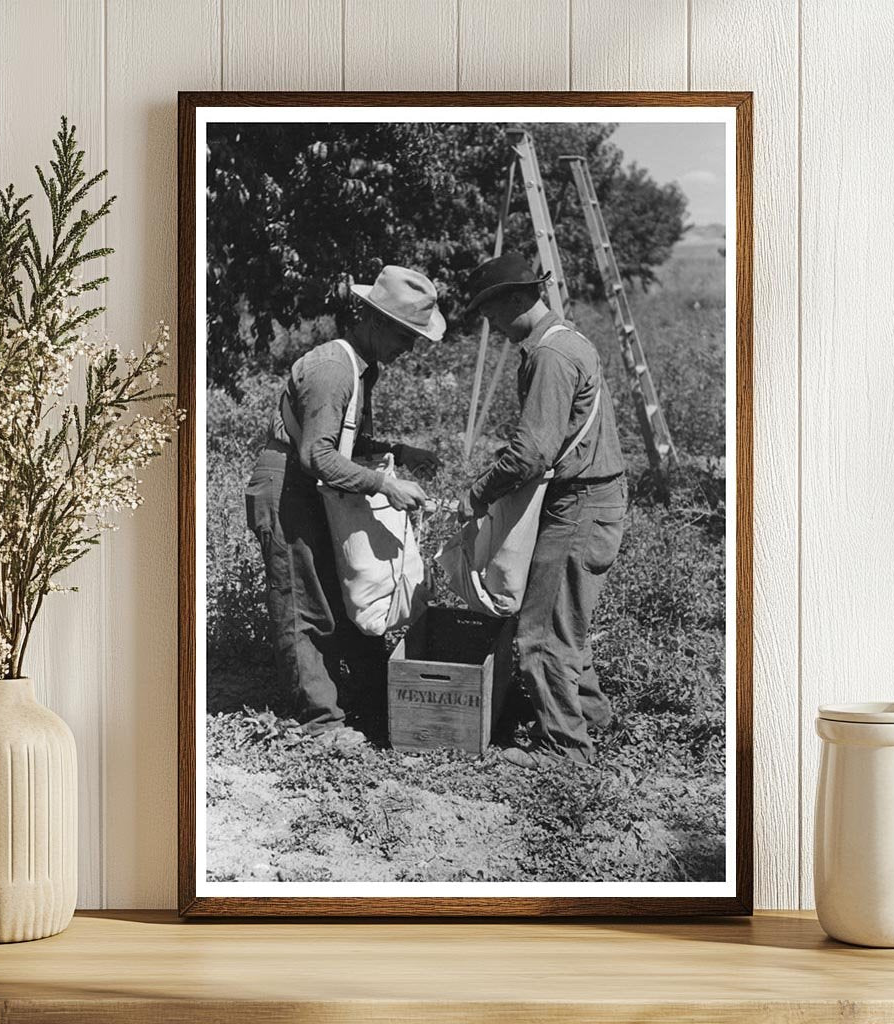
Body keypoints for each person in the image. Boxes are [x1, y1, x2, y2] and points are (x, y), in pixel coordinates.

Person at [245, 265, 444, 746]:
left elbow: (341, 440)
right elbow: (317, 455)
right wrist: (384, 485)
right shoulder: (333, 369)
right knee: (301, 604)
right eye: (405, 336)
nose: (408, 348)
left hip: (312, 486)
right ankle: (321, 721)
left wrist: (398, 450)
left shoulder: (360, 368)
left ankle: (361, 698)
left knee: (336, 595)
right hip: (286, 486)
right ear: (374, 321)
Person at [458, 253, 627, 769]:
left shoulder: (550, 355)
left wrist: (479, 492)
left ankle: (565, 749)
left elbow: (532, 452)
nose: (490, 324)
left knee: (541, 631)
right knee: (562, 615)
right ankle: (590, 715)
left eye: (490, 312)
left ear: (515, 299)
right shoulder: (562, 340)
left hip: (580, 503)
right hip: (586, 499)